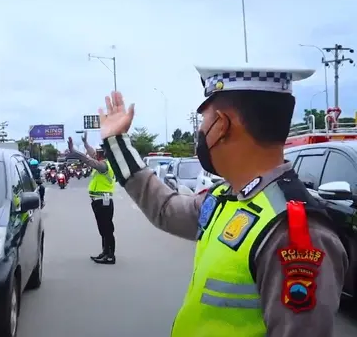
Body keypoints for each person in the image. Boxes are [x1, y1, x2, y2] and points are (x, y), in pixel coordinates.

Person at [98, 64, 348, 336]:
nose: (200, 133)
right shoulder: (224, 198)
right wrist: (116, 143)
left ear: (223, 124)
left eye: (204, 121)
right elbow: (165, 209)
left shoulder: (292, 232)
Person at [67, 131, 117, 264]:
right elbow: (91, 154)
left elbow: (89, 160)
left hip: (103, 201)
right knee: (103, 229)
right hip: (98, 201)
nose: (99, 152)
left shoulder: (105, 165)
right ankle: (105, 252)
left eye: (102, 150)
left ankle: (110, 255)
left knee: (107, 229)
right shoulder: (104, 162)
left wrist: (74, 151)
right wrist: (85, 143)